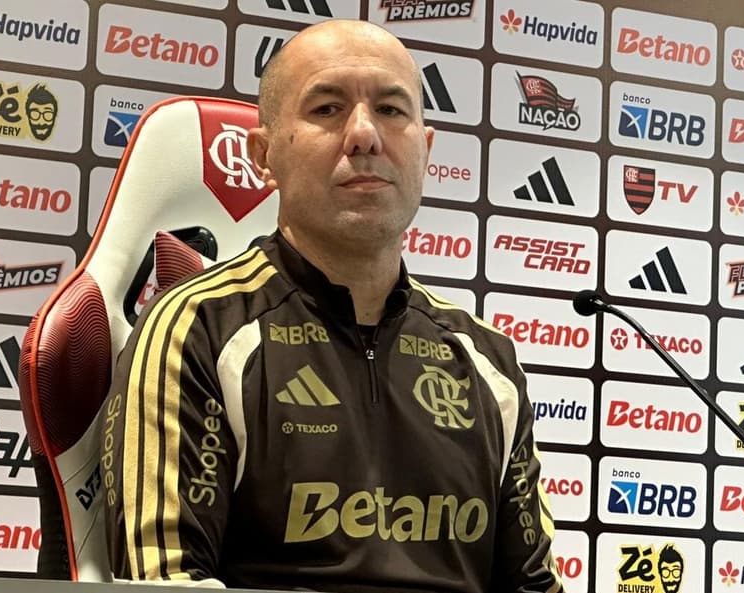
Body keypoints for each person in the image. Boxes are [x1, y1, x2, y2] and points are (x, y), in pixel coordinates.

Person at [105, 18, 564, 593]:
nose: (364, 135)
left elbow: (533, 585)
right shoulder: (198, 329)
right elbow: (165, 581)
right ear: (263, 156)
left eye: (391, 110)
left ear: (425, 151)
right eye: (327, 109)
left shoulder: (486, 358)